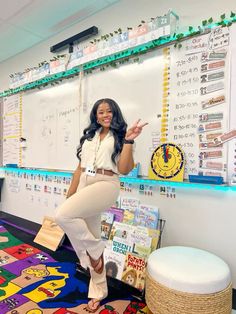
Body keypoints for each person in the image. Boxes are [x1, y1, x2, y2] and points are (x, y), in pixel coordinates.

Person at [55, 98, 147, 313]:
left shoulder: (121, 136)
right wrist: (70, 193)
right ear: (95, 116)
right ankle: (98, 291)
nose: (105, 115)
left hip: (106, 183)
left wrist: (129, 141)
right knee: (91, 232)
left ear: (115, 113)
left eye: (109, 111)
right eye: (100, 112)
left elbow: (124, 169)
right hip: (85, 183)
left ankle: (95, 250)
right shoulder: (90, 137)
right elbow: (79, 169)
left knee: (62, 216)